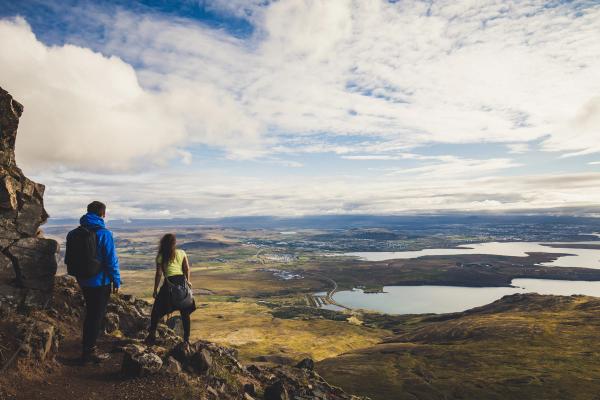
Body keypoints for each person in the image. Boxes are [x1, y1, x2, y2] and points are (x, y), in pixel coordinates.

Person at [71, 201, 121, 364]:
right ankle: (89, 353)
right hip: (100, 282)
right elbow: (111, 260)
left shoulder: (75, 232)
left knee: (91, 314)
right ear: (103, 214)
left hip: (83, 279)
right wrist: (116, 280)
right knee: (95, 316)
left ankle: (88, 348)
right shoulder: (104, 233)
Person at [146, 233, 196, 344]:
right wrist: (187, 281)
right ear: (174, 243)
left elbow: (159, 274)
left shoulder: (161, 256)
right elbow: (187, 269)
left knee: (156, 310)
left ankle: (152, 334)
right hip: (182, 282)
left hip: (169, 284)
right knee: (185, 312)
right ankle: (186, 340)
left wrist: (155, 290)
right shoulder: (182, 253)